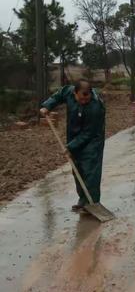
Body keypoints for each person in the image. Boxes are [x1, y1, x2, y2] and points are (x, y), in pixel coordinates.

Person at [40, 79, 106, 211]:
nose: (83, 102)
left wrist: (70, 147)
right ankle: (83, 201)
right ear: (75, 93)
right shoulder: (69, 91)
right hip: (74, 135)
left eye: (86, 100)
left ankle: (92, 204)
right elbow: (58, 95)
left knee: (90, 172)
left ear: (90, 94)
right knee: (77, 170)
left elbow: (89, 133)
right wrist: (48, 105)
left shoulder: (96, 107)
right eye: (81, 99)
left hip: (92, 140)